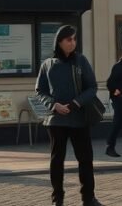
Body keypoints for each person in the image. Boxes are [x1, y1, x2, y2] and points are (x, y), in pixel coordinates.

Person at [34, 25, 102, 206]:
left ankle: (88, 198)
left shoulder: (81, 61)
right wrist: (53, 105)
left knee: (85, 159)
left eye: (74, 39)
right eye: (68, 39)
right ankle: (57, 199)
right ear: (59, 42)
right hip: (56, 120)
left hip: (79, 119)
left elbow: (92, 87)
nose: (73, 43)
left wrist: (75, 103)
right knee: (57, 160)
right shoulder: (47, 64)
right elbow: (40, 91)